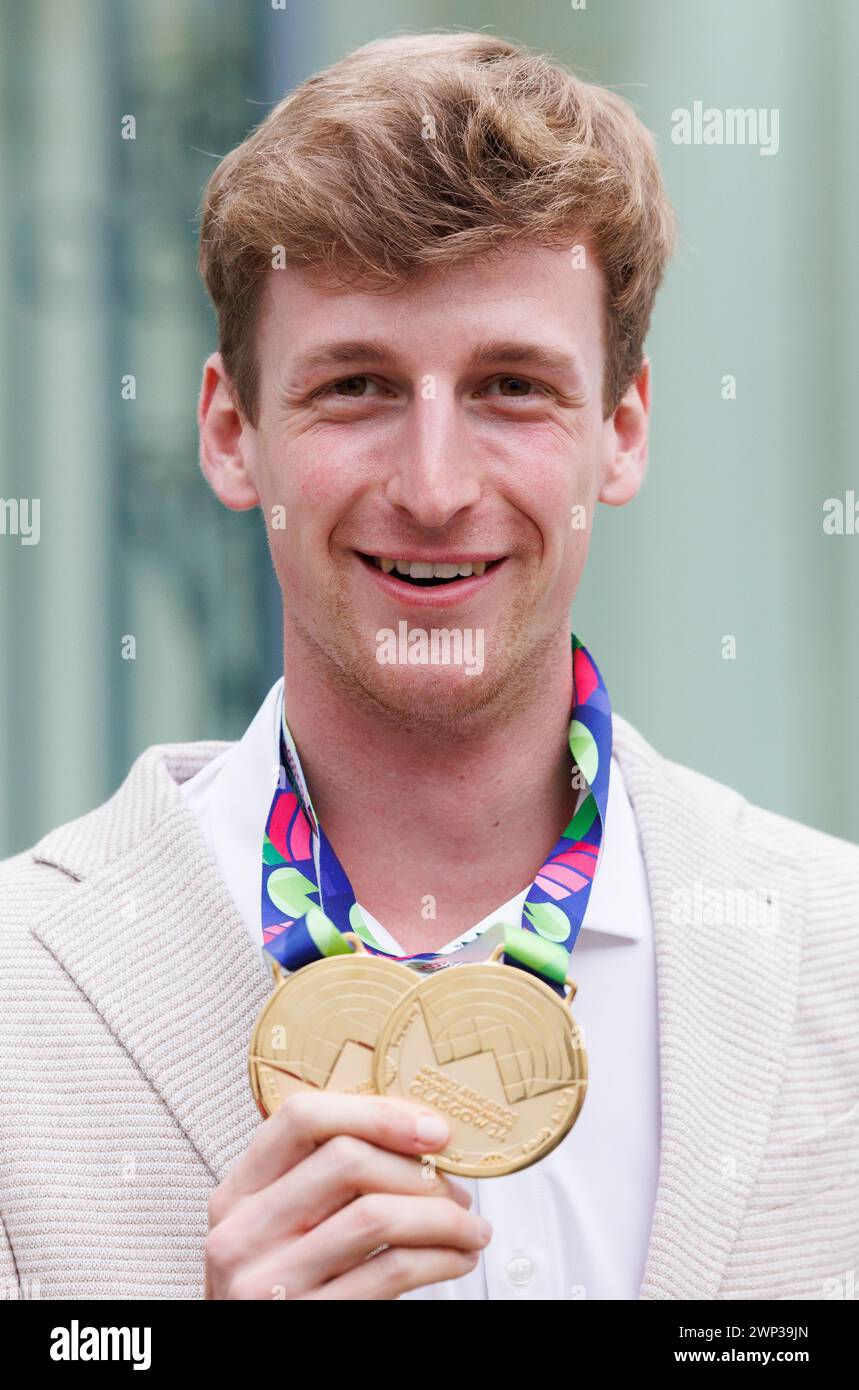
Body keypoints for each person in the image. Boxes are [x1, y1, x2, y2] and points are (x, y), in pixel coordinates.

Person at [1, 32, 857, 1303]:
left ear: (619, 436)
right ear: (233, 437)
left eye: (512, 387)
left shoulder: (839, 955)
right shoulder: (22, 995)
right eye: (355, 388)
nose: (436, 487)